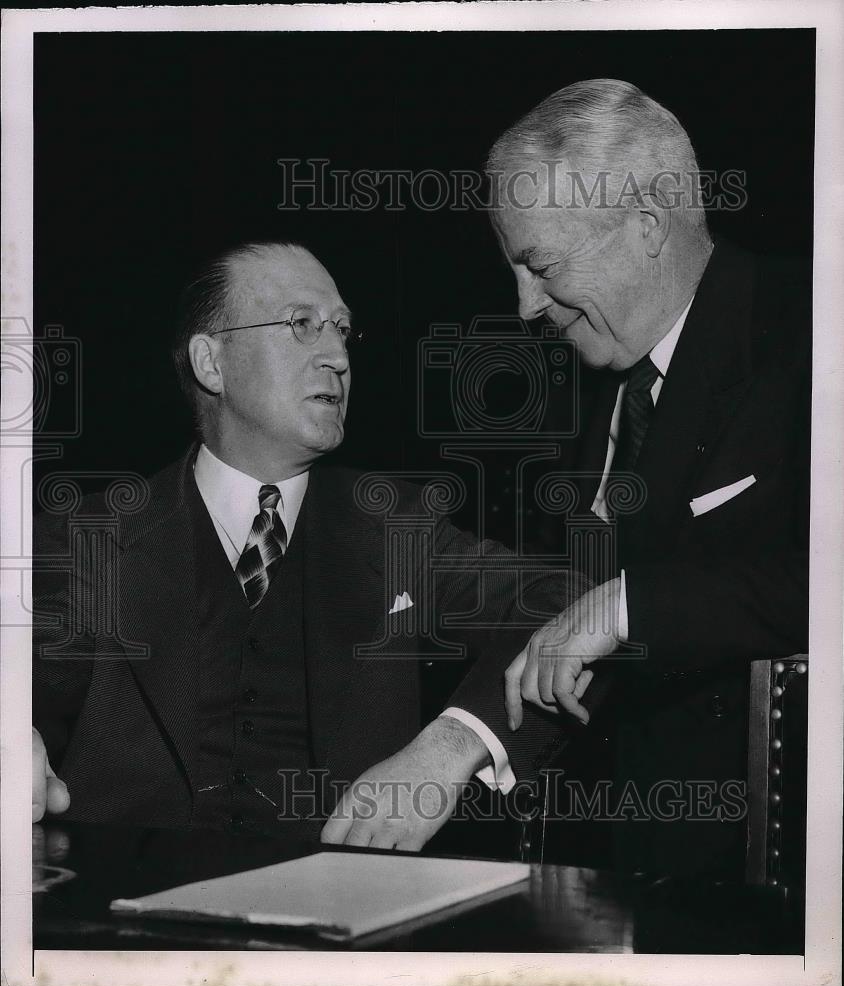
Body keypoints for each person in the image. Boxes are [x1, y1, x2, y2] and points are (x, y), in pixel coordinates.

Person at [31, 239, 584, 851]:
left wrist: (449, 745)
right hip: (124, 923)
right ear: (210, 363)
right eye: (302, 325)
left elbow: (571, 601)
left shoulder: (398, 528)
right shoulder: (90, 540)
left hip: (339, 917)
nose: (338, 356)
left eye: (343, 331)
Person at [484, 79, 810, 876]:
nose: (525, 305)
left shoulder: (814, 325)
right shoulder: (605, 390)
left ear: (646, 226)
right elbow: (565, 615)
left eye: (542, 264)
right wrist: (462, 740)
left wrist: (629, 604)